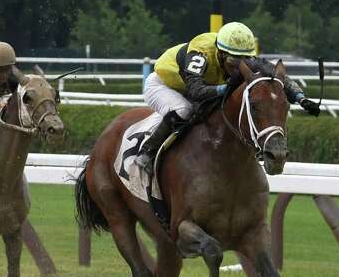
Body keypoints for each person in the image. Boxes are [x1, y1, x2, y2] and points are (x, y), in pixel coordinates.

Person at [134, 22, 320, 170]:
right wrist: (225, 89)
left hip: (198, 86)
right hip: (163, 85)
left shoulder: (240, 54)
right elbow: (196, 91)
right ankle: (147, 152)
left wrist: (301, 98)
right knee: (184, 110)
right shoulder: (200, 53)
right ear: (221, 53)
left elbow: (278, 76)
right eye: (234, 61)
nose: (239, 66)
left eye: (244, 61)